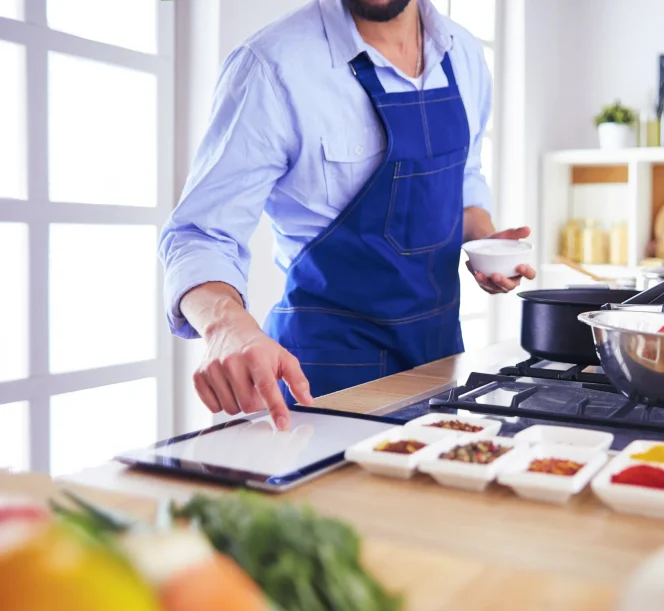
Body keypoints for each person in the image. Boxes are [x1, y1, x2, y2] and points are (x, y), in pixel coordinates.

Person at [160, 0, 534, 430]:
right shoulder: (272, 66)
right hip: (324, 379)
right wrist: (225, 326)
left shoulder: (464, 54)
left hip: (440, 367)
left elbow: (465, 177)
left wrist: (486, 241)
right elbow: (199, 234)